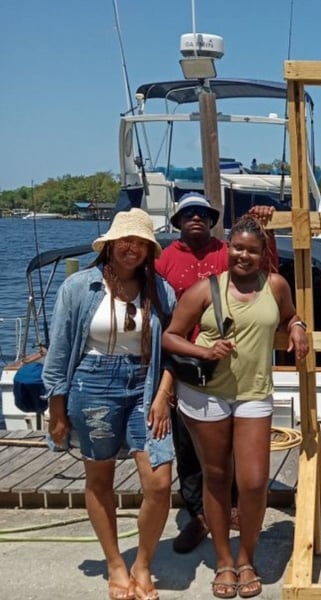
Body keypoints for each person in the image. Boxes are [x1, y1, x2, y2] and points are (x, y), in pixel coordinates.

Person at [162, 214, 309, 599]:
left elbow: (291, 314)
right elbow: (171, 337)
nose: (243, 255)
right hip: (206, 395)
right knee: (216, 477)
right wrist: (205, 350)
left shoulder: (274, 285)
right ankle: (224, 560)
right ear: (228, 247)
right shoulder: (203, 290)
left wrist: (297, 327)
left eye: (252, 250)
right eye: (238, 248)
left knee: (254, 481)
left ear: (263, 254)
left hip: (254, 394)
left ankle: (247, 557)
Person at [42, 208, 175, 600]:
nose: (131, 248)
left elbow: (174, 348)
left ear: (150, 250)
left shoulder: (160, 291)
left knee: (160, 481)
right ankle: (116, 564)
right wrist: (57, 410)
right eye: (125, 240)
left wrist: (163, 395)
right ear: (111, 243)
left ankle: (143, 562)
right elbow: (61, 349)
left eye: (140, 243)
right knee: (99, 479)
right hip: (92, 383)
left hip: (145, 383)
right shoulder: (80, 287)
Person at [155, 192, 277, 554]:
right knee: (192, 457)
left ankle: (233, 511)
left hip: (234, 370)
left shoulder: (226, 252)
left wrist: (264, 223)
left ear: (212, 222)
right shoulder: (165, 260)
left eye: (203, 214)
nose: (196, 218)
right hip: (186, 368)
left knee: (238, 466)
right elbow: (163, 321)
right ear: (177, 221)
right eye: (188, 213)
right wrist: (166, 381)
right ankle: (198, 518)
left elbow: (261, 263)